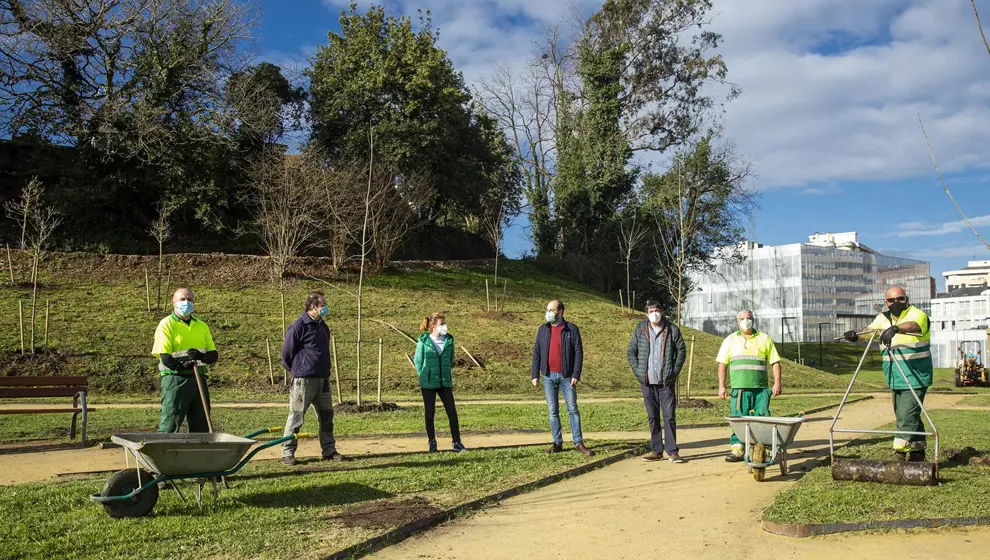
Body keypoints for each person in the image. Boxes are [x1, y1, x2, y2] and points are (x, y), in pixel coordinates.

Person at [843, 286, 932, 462]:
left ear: (906, 299)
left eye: (900, 299)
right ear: (886, 302)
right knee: (907, 414)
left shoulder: (917, 314)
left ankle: (899, 454)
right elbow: (869, 331)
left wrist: (897, 328)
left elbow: (914, 325)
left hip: (915, 376)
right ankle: (918, 452)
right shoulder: (883, 318)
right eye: (891, 300)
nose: (896, 303)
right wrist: (855, 336)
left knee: (906, 416)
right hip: (894, 376)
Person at [280, 291, 343, 466]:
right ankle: (287, 452)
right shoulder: (298, 326)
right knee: (296, 416)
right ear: (312, 306)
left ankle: (329, 450)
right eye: (323, 304)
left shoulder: (323, 326)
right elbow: (286, 354)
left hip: (323, 379)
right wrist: (298, 370)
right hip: (304, 380)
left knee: (327, 417)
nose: (326, 307)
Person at [716, 310, 782, 462]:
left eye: (749, 318)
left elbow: (775, 362)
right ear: (737, 321)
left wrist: (777, 382)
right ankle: (738, 449)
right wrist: (721, 386)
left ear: (753, 320)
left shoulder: (764, 338)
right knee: (738, 420)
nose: (746, 321)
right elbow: (722, 365)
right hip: (740, 390)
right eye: (742, 318)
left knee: (763, 419)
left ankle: (763, 449)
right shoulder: (730, 340)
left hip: (761, 390)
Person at [626, 300, 687, 463]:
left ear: (662, 311)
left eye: (656, 310)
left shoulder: (672, 328)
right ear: (646, 313)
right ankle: (656, 450)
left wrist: (674, 371)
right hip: (647, 381)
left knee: (669, 416)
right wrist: (638, 371)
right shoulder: (641, 329)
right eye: (651, 311)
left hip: (666, 381)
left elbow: (681, 350)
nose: (654, 313)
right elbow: (631, 351)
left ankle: (672, 451)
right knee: (652, 416)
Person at [151, 288, 219, 433]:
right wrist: (181, 365)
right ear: (173, 301)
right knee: (171, 421)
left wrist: (202, 357)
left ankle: (198, 447)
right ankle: (164, 446)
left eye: (190, 299)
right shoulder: (167, 324)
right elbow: (165, 357)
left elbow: (213, 355)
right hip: (175, 379)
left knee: (201, 422)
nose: (186, 302)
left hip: (198, 379)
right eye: (182, 299)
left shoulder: (201, 326)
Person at [531, 300, 593, 456]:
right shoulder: (543, 329)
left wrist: (576, 374)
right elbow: (537, 352)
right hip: (548, 376)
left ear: (560, 312)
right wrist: (535, 374)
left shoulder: (571, 329)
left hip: (567, 376)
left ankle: (578, 442)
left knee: (572, 409)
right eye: (547, 310)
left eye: (552, 310)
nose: (548, 313)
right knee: (552, 410)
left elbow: (578, 353)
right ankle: (557, 442)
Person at [413, 312, 466, 453]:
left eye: (444, 323)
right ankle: (432, 442)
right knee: (429, 413)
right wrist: (425, 375)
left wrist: (445, 373)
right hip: (428, 383)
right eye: (441, 324)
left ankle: (457, 442)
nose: (445, 326)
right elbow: (418, 361)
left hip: (445, 382)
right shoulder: (424, 341)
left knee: (452, 412)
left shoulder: (449, 341)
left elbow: (451, 359)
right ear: (433, 326)